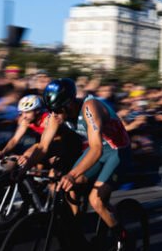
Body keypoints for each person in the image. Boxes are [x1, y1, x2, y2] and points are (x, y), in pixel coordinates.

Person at [21, 78, 128, 231]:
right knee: (68, 187)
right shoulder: (56, 114)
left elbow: (96, 148)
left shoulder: (90, 108)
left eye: (57, 110)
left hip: (117, 151)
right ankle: (75, 232)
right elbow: (43, 147)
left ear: (69, 104)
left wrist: (72, 174)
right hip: (96, 150)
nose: (53, 115)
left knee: (96, 200)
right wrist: (24, 169)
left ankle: (123, 238)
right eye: (50, 110)